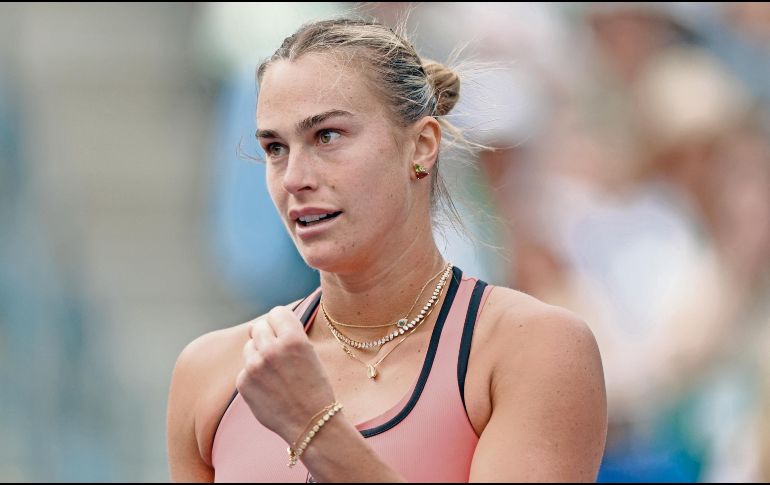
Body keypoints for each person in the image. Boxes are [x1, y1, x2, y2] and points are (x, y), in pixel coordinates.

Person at [166, 17, 607, 482]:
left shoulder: (533, 349)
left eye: (327, 136)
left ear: (421, 145)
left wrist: (314, 427)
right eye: (276, 148)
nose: (294, 178)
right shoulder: (211, 373)